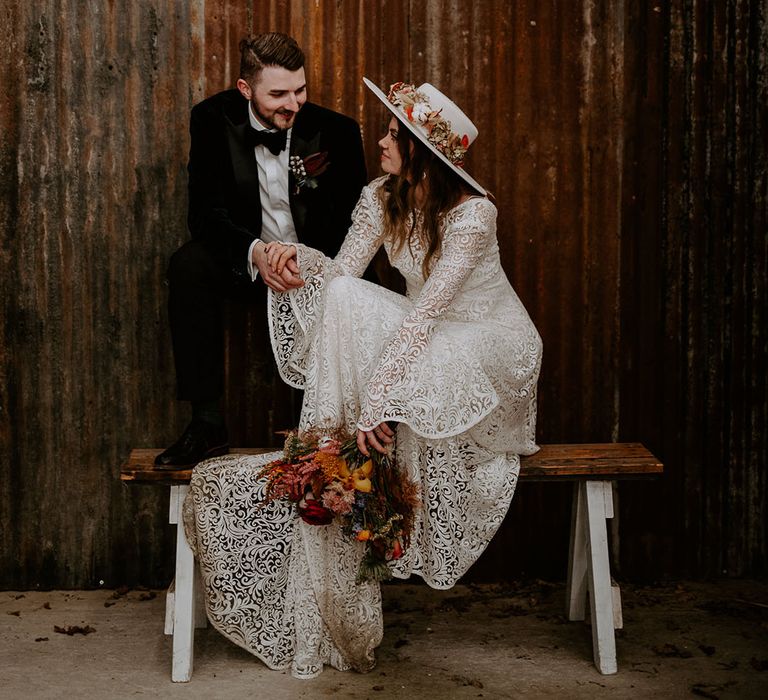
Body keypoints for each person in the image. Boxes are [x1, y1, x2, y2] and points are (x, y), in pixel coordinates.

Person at [185, 78, 543, 678]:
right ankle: (338, 446)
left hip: (488, 345)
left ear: (420, 149)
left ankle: (356, 433)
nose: (379, 140)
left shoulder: (474, 215)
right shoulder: (383, 194)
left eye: (392, 133)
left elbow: (428, 313)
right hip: (427, 334)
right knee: (344, 292)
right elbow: (344, 277)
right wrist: (294, 259)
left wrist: (381, 403)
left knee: (373, 327)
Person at [156, 32, 367, 468]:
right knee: (188, 265)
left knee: (363, 286)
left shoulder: (339, 132)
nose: (293, 103)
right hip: (247, 267)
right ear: (245, 89)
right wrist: (255, 252)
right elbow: (205, 215)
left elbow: (353, 222)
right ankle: (207, 422)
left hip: (311, 267)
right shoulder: (211, 120)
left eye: (300, 90)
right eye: (278, 94)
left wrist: (301, 259)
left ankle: (325, 430)